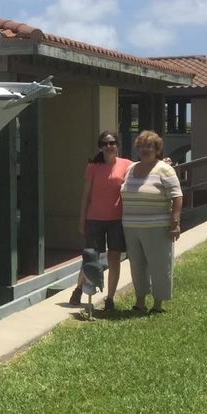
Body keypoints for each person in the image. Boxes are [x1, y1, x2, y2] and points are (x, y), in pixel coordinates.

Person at [121, 130, 183, 314]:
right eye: (141, 146)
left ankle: (158, 305)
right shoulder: (131, 169)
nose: (145, 149)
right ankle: (139, 302)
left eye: (149, 146)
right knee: (137, 265)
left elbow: (177, 196)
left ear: (157, 149)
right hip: (131, 227)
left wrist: (175, 222)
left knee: (159, 265)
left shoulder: (164, 169)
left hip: (157, 226)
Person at [72, 130, 130, 311]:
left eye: (112, 143)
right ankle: (79, 289)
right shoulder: (93, 167)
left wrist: (165, 163)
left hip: (116, 220)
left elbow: (146, 169)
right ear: (101, 147)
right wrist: (82, 220)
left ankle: (110, 298)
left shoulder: (127, 165)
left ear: (117, 145)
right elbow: (85, 196)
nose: (109, 146)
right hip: (94, 219)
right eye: (105, 144)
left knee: (114, 260)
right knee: (91, 259)